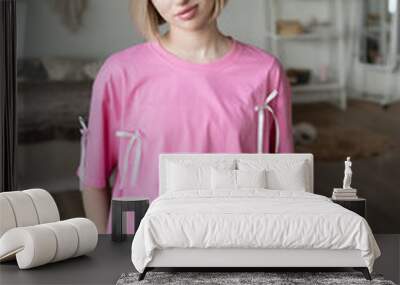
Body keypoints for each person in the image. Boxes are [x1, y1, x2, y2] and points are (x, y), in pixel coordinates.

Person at [76, 0, 294, 234]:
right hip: (140, 245)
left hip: (237, 239)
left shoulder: (265, 71)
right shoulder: (119, 72)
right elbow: (93, 180)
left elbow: (289, 181)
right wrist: (106, 256)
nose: (179, 1)